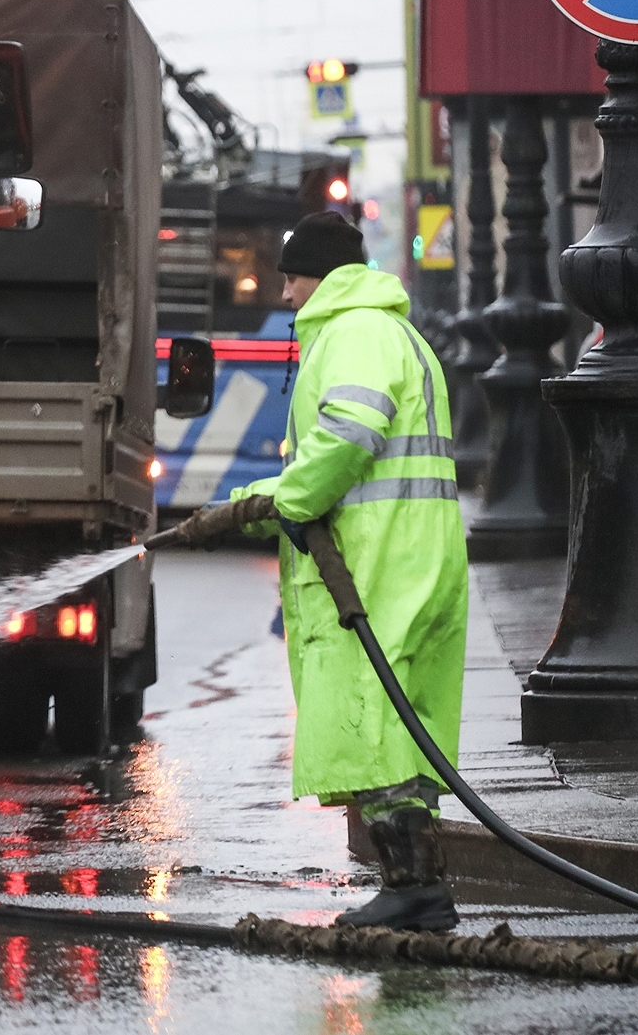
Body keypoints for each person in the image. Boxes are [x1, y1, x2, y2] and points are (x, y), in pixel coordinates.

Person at [218, 212, 469, 931]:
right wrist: (250, 507)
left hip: (381, 560)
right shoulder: (391, 331)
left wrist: (289, 499)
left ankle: (411, 886)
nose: (286, 293)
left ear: (319, 274)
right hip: (411, 553)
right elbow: (334, 462)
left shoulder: (355, 332)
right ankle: (415, 883)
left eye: (291, 276)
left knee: (381, 717)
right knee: (403, 719)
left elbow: (348, 435)